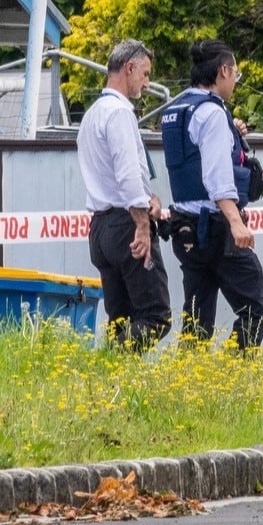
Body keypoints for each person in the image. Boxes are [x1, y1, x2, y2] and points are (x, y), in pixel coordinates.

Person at [160, 40, 263, 349]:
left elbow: (193, 159)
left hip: (185, 227)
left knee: (197, 320)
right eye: (236, 73)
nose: (235, 81)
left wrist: (230, 131)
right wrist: (236, 222)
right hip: (216, 227)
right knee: (255, 309)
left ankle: (189, 373)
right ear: (223, 71)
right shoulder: (211, 114)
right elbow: (216, 176)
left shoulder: (178, 110)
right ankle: (233, 371)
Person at [75, 40, 171, 350]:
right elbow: (127, 174)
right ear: (129, 68)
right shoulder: (119, 113)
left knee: (121, 319)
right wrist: (142, 224)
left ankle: (112, 371)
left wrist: (148, 199)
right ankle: (111, 360)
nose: (147, 82)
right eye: (145, 74)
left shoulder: (92, 115)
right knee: (156, 317)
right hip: (126, 225)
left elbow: (110, 175)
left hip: (100, 227)